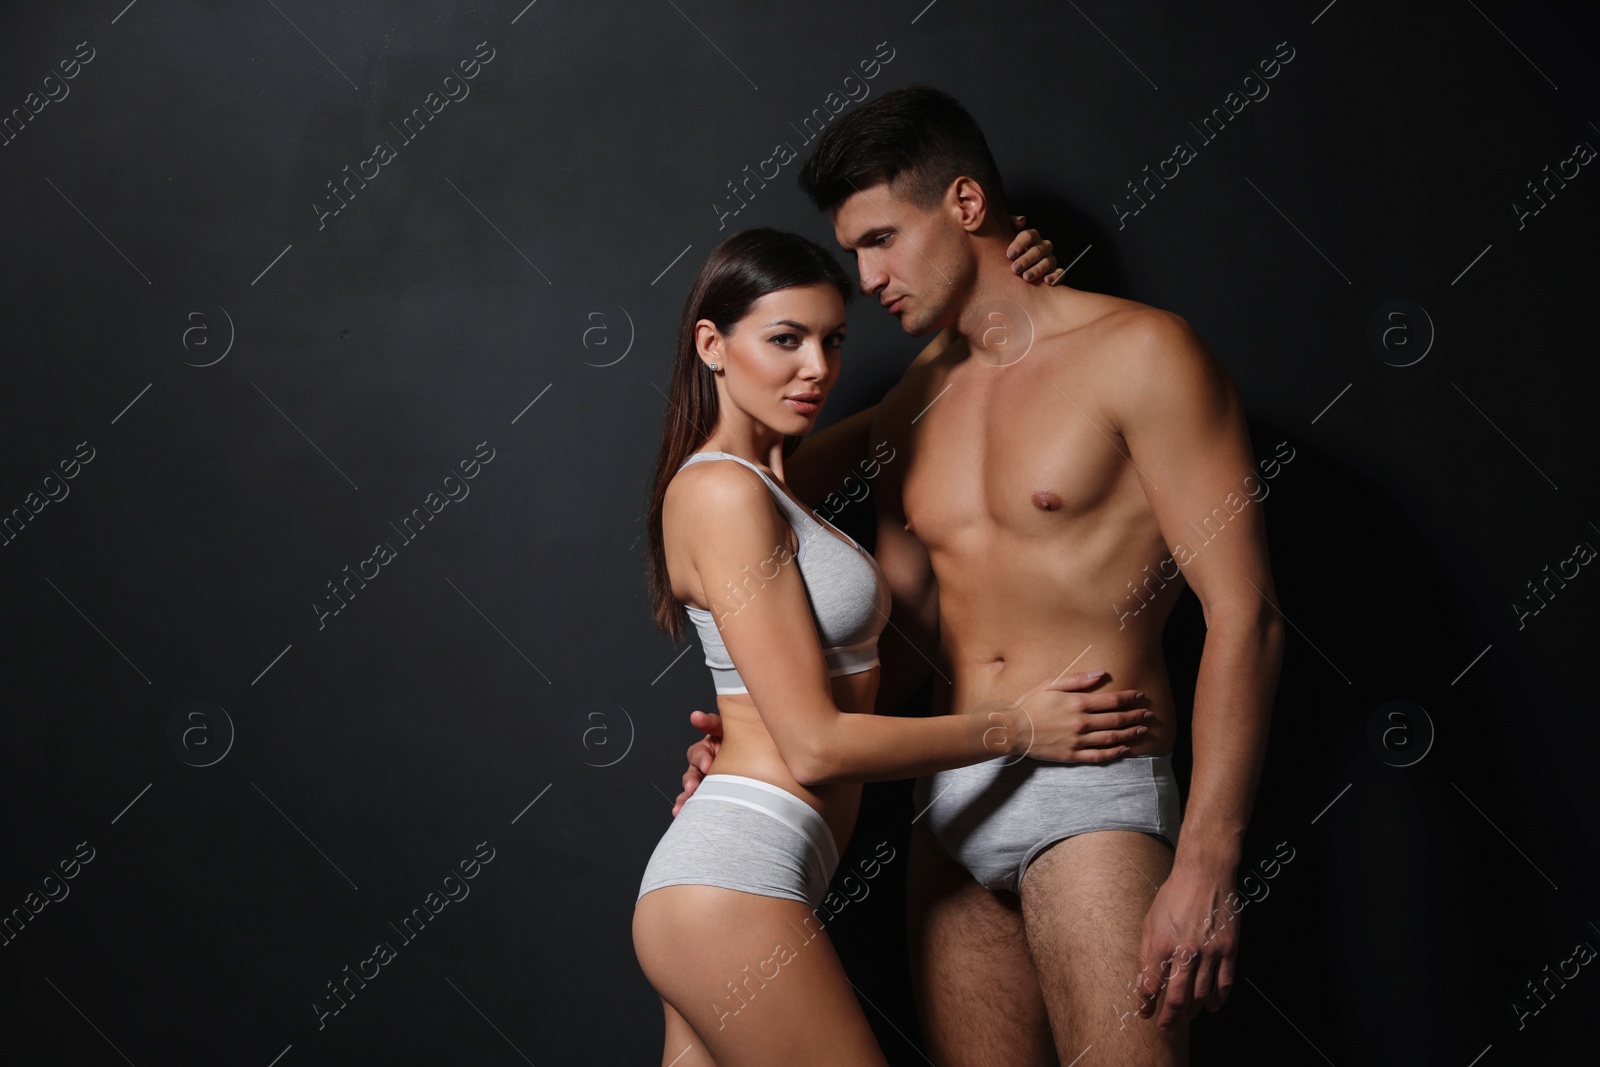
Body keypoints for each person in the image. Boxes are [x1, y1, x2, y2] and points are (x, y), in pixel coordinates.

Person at [674, 85, 1285, 1065]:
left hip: (1089, 784)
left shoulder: (1142, 353)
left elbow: (1244, 613)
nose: (866, 278)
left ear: (964, 205)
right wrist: (758, 740)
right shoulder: (913, 400)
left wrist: (1210, 860)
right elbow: (906, 636)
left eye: (879, 238)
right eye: (855, 249)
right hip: (947, 809)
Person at [632, 225, 1158, 1067]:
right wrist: (1017, 726)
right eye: (784, 339)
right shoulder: (722, 493)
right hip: (731, 884)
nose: (816, 369)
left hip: (739, 881)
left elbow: (921, 413)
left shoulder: (769, 482)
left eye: (832, 340)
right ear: (712, 345)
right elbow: (814, 742)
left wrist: (1005, 311)